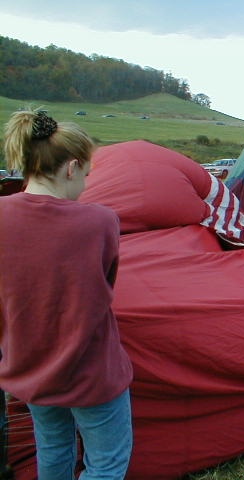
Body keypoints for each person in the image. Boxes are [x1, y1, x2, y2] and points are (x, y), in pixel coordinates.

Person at [0, 108, 133, 479]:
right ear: (71, 168)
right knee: (106, 462)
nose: (86, 185)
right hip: (91, 372)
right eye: (87, 175)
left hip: (28, 367)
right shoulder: (100, 221)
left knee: (53, 447)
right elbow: (104, 285)